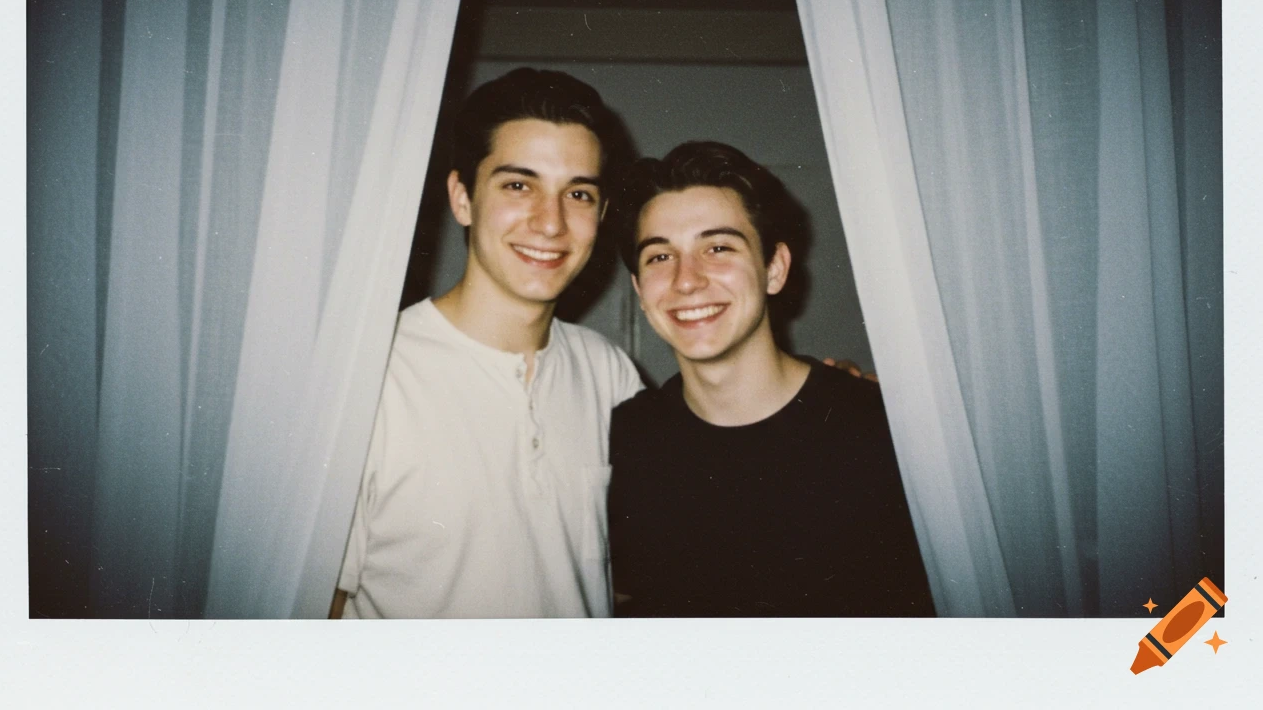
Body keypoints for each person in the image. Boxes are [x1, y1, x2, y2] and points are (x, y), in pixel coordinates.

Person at [331, 68, 641, 618]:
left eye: (579, 193)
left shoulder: (610, 374)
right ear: (462, 197)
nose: (551, 223)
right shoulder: (369, 376)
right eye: (519, 185)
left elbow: (634, 571)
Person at [607, 141, 934, 617]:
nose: (686, 280)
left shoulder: (888, 431)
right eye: (660, 257)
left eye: (717, 248)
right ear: (639, 288)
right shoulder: (626, 439)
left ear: (774, 269)